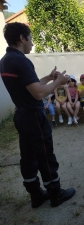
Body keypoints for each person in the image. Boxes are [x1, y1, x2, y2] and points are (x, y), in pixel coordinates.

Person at [0, 22, 75, 208]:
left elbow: (32, 86)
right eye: (31, 38)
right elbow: (39, 93)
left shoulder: (6, 60)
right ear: (22, 38)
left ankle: (36, 195)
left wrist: (49, 78)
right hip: (33, 116)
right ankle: (55, 194)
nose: (32, 43)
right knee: (45, 155)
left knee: (28, 157)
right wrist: (58, 82)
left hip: (22, 115)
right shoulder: (21, 61)